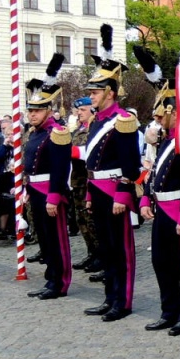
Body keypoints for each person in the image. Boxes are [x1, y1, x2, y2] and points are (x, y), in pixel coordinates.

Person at [134, 46, 180, 336]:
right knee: (160, 261)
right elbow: (156, 174)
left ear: (175, 113)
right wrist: (147, 199)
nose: (157, 122)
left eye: (162, 116)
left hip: (179, 210)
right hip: (162, 208)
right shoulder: (165, 140)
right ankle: (169, 309)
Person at [77, 25, 142, 322]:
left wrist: (122, 193)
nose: (91, 96)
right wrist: (90, 192)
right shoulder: (97, 121)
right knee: (105, 249)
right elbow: (93, 164)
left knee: (121, 250)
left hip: (115, 192)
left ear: (110, 93)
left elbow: (131, 163)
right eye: (91, 91)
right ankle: (109, 296)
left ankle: (123, 301)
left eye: (95, 91)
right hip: (99, 192)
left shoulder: (124, 120)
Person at [23, 53, 73, 300]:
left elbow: (60, 168)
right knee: (44, 239)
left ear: (48, 111)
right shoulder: (34, 134)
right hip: (35, 191)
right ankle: (50, 278)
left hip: (50, 193)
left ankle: (60, 282)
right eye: (31, 110)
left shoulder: (58, 133)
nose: (32, 114)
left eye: (38, 111)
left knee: (56, 240)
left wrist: (54, 196)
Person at [69, 97, 101, 273]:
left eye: (82, 110)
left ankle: (100, 255)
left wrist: (69, 151)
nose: (79, 113)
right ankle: (92, 252)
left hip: (89, 181)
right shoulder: (79, 130)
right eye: (78, 110)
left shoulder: (94, 129)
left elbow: (87, 152)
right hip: (77, 181)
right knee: (82, 220)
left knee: (91, 220)